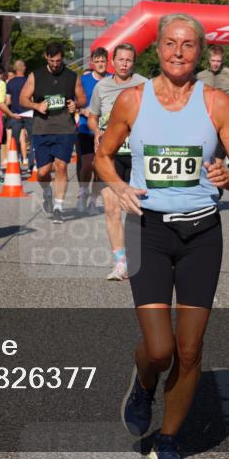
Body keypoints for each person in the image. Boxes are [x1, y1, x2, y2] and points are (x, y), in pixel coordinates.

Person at [96, 13, 229, 459]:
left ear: (199, 53)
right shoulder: (131, 100)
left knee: (189, 349)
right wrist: (120, 187)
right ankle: (144, 383)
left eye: (188, 45)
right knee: (159, 349)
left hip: (202, 233)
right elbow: (104, 156)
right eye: (170, 43)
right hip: (149, 229)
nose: (179, 52)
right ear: (158, 49)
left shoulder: (217, 103)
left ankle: (167, 440)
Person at [88, 43, 147, 281]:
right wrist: (96, 132)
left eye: (129, 60)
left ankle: (140, 257)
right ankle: (120, 262)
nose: (124, 64)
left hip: (136, 155)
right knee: (112, 209)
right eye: (120, 60)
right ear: (113, 61)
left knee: (135, 209)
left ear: (134, 62)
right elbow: (92, 117)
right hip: (109, 155)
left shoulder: (145, 85)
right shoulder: (102, 87)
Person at [20, 42, 86, 224]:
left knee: (61, 166)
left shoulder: (72, 76)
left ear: (62, 58)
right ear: (46, 57)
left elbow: (82, 98)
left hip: (65, 128)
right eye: (52, 60)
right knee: (42, 172)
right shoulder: (36, 75)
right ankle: (47, 191)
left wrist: (76, 104)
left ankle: (58, 207)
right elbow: (22, 99)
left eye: (58, 60)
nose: (56, 64)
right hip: (42, 128)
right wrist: (36, 105)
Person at [76, 47, 110, 214]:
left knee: (99, 167)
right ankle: (82, 193)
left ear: (107, 62)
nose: (100, 64)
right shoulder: (83, 79)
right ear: (92, 63)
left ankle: (93, 202)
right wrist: (84, 111)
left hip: (105, 131)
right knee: (88, 164)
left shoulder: (113, 79)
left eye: (103, 61)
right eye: (97, 62)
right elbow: (76, 103)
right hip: (85, 128)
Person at [5, 59, 34, 175]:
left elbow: (7, 101)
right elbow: (32, 99)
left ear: (15, 70)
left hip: (15, 115)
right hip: (29, 114)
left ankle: (15, 165)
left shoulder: (10, 83)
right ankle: (31, 167)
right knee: (32, 141)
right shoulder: (29, 81)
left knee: (14, 141)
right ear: (24, 68)